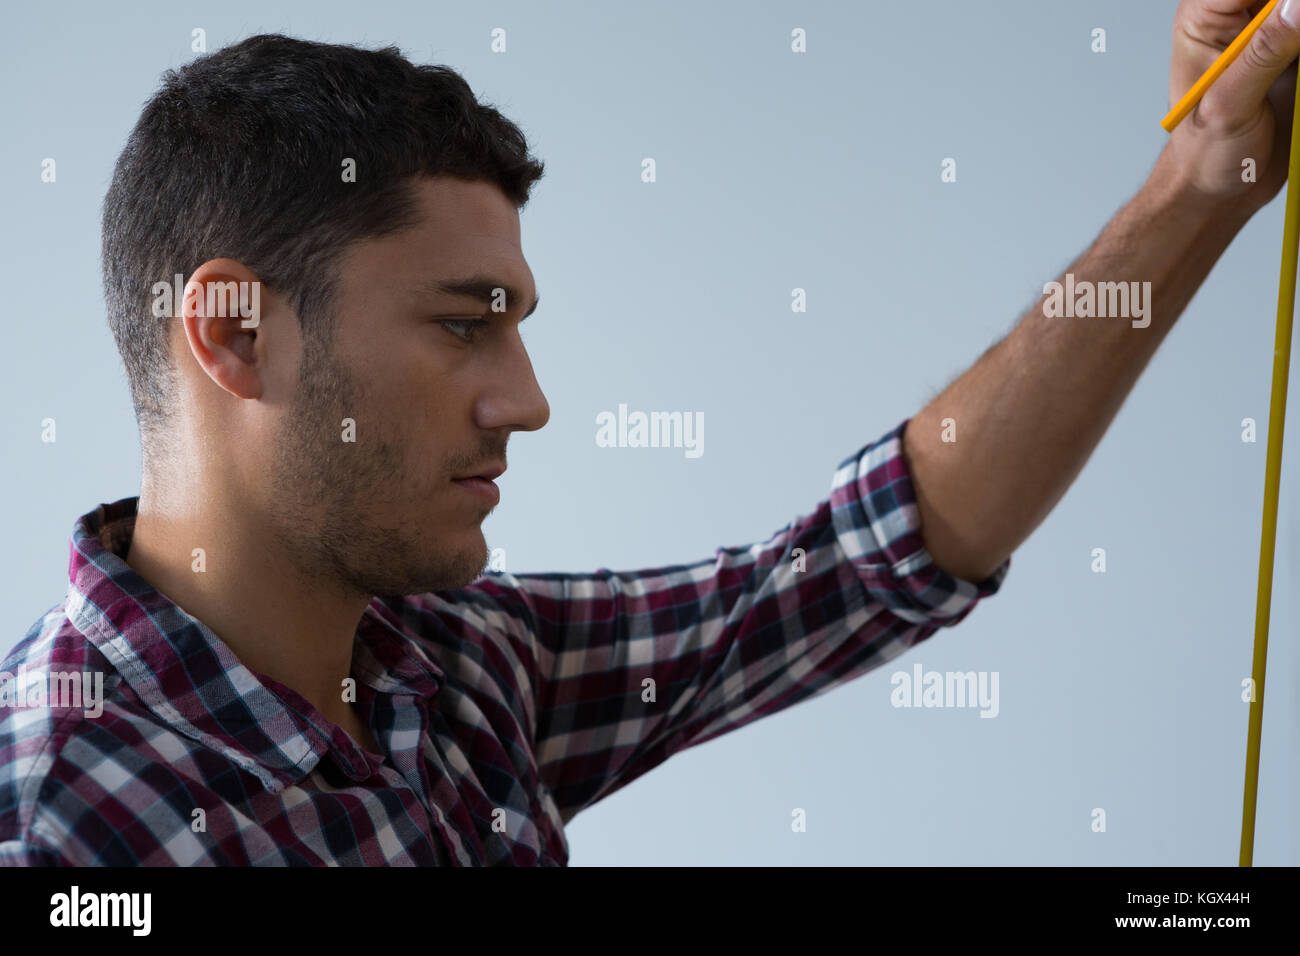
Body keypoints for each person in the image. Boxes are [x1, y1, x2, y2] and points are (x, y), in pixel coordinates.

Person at [0, 0, 1290, 865]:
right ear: (232, 333)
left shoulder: (457, 664)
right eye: (465, 326)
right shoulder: (60, 824)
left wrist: (1201, 177)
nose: (528, 400)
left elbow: (860, 565)